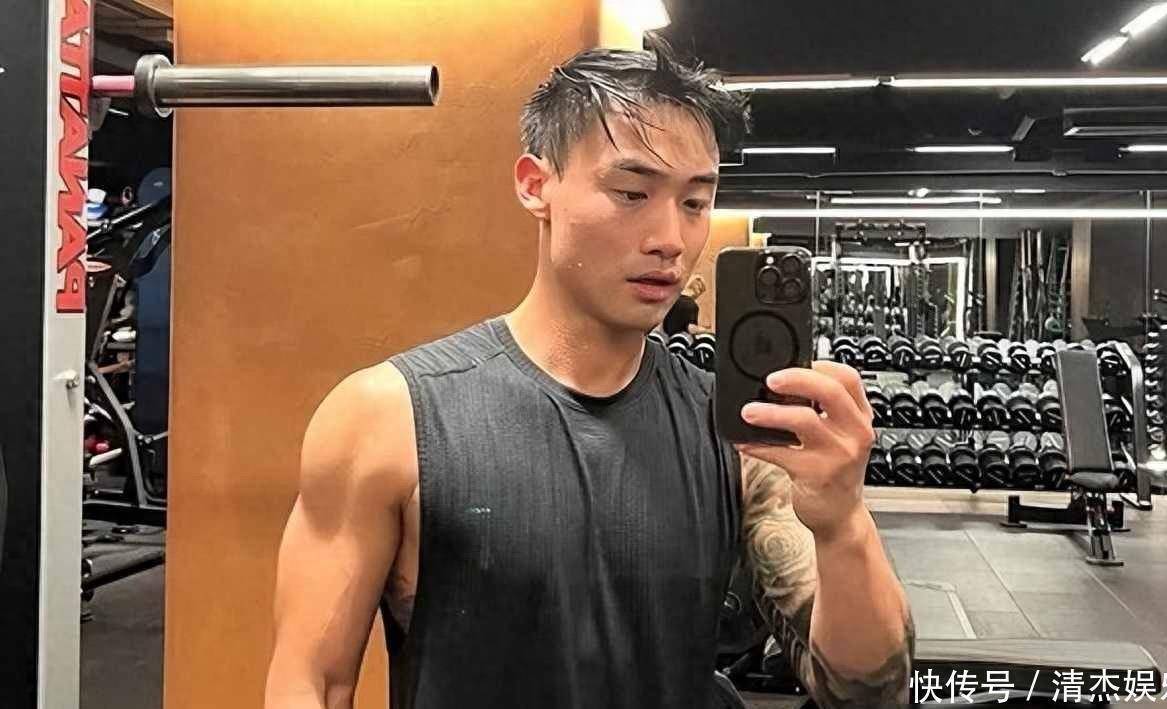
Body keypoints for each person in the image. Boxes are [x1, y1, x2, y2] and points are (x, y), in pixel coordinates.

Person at [264, 35, 913, 709]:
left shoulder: (737, 434)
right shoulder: (385, 419)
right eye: (632, 193)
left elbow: (869, 691)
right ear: (535, 185)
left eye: (695, 203)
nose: (670, 239)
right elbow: (313, 682)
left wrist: (842, 522)